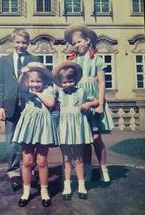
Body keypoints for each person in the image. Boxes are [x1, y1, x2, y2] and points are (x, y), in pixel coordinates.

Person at [64, 24, 114, 182]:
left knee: (96, 137)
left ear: (87, 40)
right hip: (80, 102)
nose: (76, 45)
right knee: (84, 138)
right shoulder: (73, 60)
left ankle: (103, 168)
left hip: (93, 101)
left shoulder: (96, 59)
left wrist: (100, 103)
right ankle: (87, 169)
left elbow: (101, 82)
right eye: (74, 43)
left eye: (79, 42)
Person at [0, 28, 40, 191]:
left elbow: (40, 81)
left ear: (28, 43)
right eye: (18, 42)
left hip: (29, 105)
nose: (21, 45)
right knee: (12, 141)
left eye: (24, 42)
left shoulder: (33, 59)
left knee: (31, 140)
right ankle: (13, 173)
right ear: (12, 42)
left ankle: (31, 170)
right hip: (10, 105)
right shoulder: (4, 61)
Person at [12, 62, 58, 207]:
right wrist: (22, 74)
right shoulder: (26, 90)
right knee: (26, 161)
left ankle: (44, 191)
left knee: (42, 161)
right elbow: (19, 86)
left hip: (43, 126)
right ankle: (26, 192)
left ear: (44, 80)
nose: (35, 84)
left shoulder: (49, 89)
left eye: (38, 81)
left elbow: (51, 104)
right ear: (28, 81)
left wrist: (38, 93)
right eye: (32, 81)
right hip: (29, 126)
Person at [52, 61, 99, 200]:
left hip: (78, 127)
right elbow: (51, 104)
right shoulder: (58, 93)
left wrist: (88, 104)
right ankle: (67, 185)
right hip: (64, 127)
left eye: (70, 81)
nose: (68, 84)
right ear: (60, 83)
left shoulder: (82, 91)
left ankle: (81, 185)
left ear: (75, 80)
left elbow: (96, 102)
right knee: (66, 158)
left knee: (78, 158)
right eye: (64, 82)